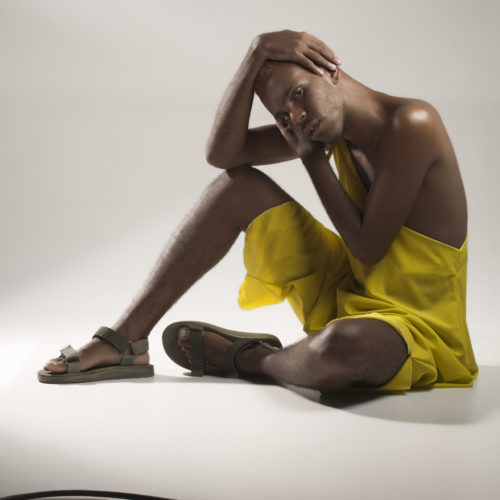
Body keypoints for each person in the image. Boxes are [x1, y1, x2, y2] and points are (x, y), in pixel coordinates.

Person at [38, 30, 478, 392]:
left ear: (330, 71)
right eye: (284, 115)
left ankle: (253, 360)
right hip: (350, 290)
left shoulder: (412, 123)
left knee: (342, 347)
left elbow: (368, 247)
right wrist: (254, 55)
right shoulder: (324, 126)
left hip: (418, 329)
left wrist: (311, 159)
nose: (297, 117)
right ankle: (124, 341)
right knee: (237, 187)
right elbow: (223, 155)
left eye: (299, 94)